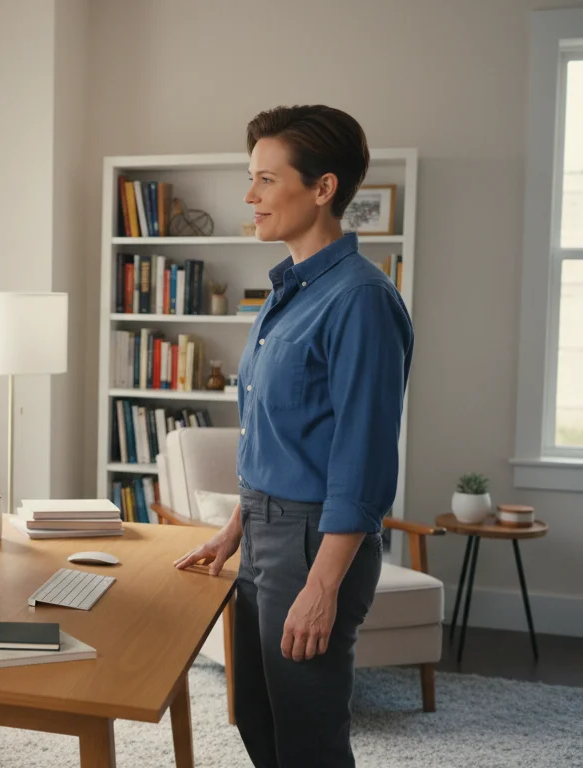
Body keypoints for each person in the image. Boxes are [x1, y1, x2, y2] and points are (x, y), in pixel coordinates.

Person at [173, 104, 413, 768]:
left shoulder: (360, 300)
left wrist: (324, 584)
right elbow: (281, 435)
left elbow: (361, 459)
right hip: (266, 533)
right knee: (258, 717)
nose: (249, 197)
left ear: (323, 187)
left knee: (308, 738)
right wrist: (237, 528)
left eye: (266, 180)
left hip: (315, 545)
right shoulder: (286, 292)